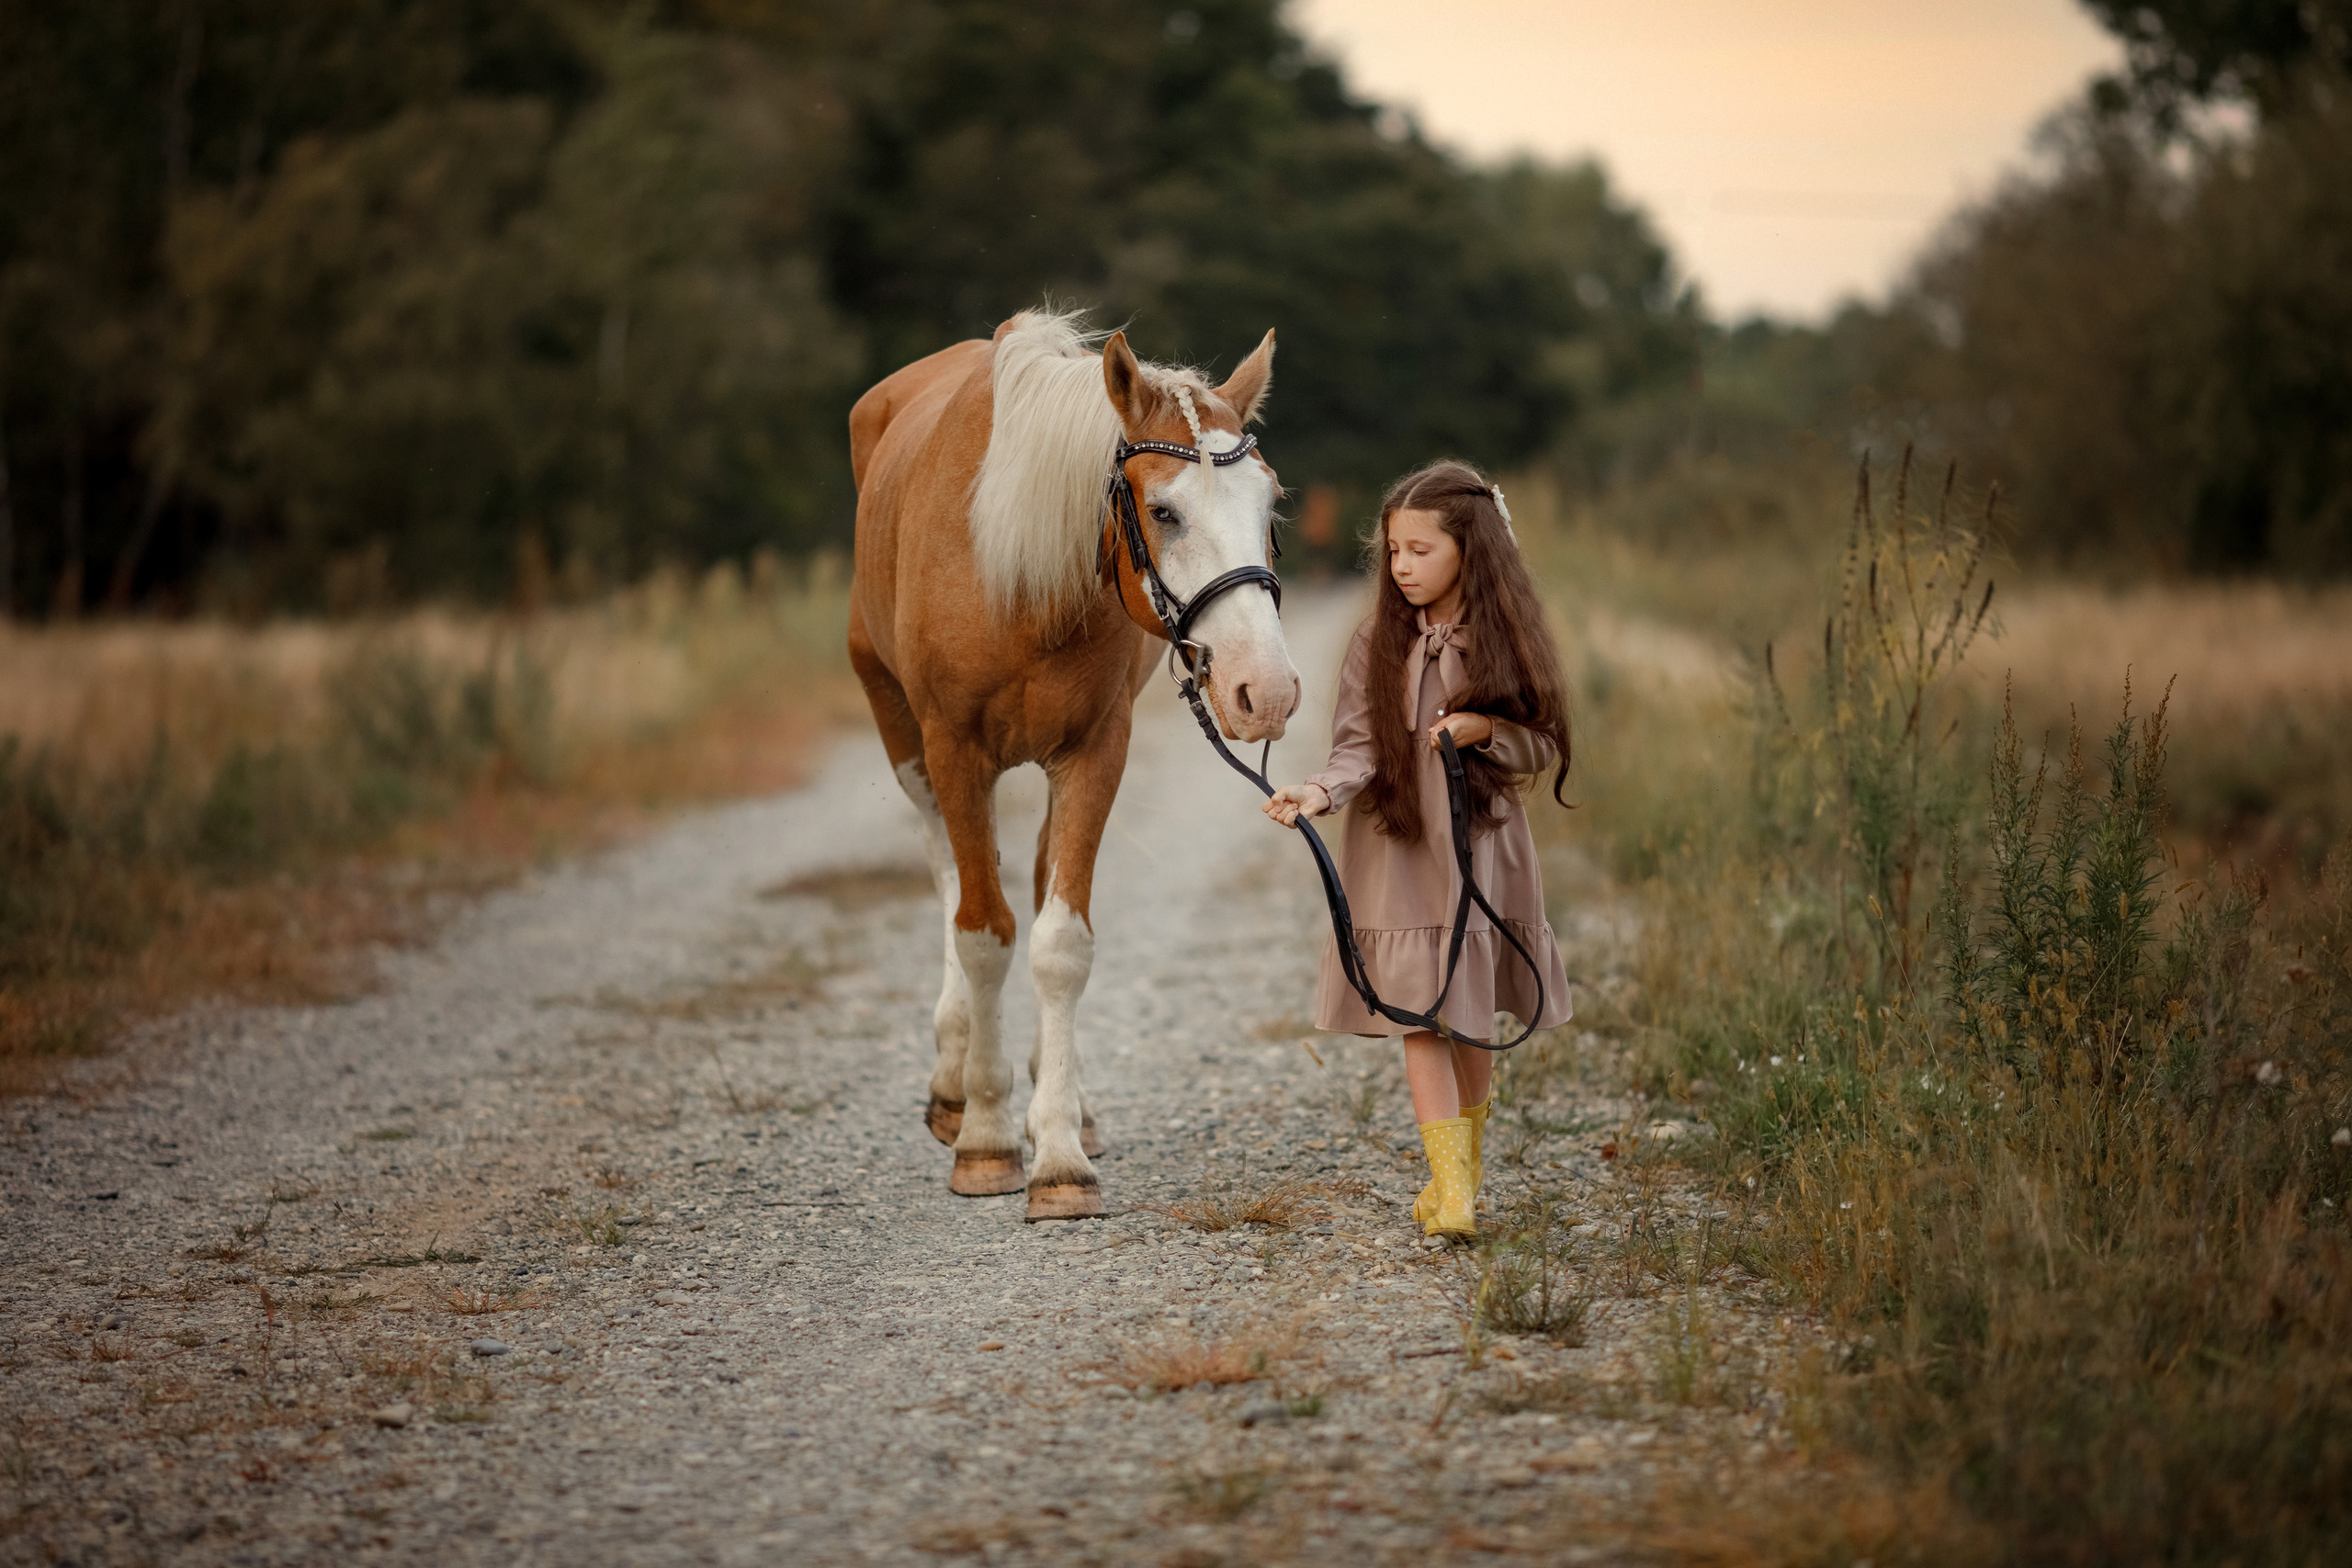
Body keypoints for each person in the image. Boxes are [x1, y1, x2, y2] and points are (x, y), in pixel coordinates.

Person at [1263, 460, 1574, 1237]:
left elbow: (1541, 744)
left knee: (1466, 1011)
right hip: (1400, 847)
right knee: (1421, 1017)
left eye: (1419, 550)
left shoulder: (1507, 639)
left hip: (1480, 847)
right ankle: (1453, 1187)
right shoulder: (1376, 638)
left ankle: (1463, 1168)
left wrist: (1484, 729)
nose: (1400, 566)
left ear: (1470, 549)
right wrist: (1319, 791)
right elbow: (1357, 747)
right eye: (1393, 550)